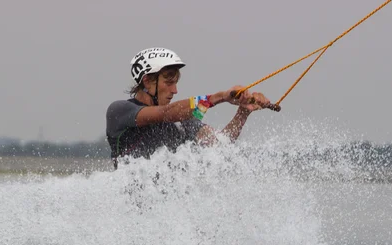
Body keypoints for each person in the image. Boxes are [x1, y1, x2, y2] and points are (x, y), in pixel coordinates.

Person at [106, 47, 273, 169]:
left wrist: (243, 112)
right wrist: (219, 97)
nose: (175, 90)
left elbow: (221, 145)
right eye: (169, 83)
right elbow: (166, 113)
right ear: (148, 81)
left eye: (176, 83)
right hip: (134, 211)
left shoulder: (183, 120)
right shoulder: (120, 110)